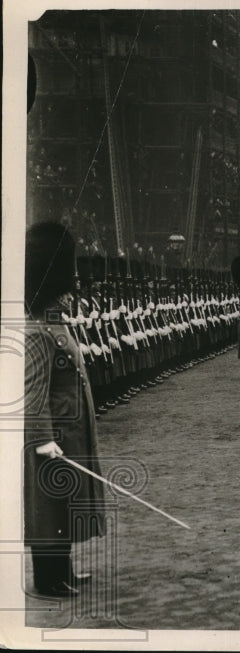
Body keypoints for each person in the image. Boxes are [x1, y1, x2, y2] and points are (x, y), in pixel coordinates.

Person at [23, 222, 106, 598]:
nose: (73, 292)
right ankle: (49, 577)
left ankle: (65, 569)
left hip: (70, 434)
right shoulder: (37, 332)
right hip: (52, 437)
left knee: (66, 503)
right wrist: (43, 440)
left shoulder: (56, 325)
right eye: (67, 285)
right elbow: (32, 395)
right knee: (49, 507)